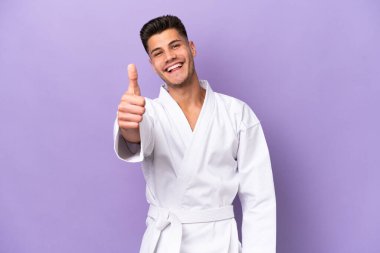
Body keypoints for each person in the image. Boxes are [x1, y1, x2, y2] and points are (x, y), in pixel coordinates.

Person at [114, 15, 276, 253]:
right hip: (166, 242)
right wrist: (128, 126)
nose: (169, 57)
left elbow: (259, 199)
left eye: (175, 45)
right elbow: (136, 136)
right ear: (152, 64)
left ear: (192, 48)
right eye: (158, 53)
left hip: (221, 242)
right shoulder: (148, 113)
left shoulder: (237, 114)